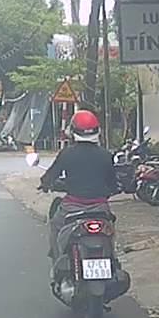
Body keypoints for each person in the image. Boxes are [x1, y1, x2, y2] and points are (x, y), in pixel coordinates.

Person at [38, 110, 116, 261]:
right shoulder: (106, 155)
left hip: (72, 208)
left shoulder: (67, 153)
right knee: (110, 231)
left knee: (55, 226)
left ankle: (58, 261)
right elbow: (113, 184)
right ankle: (113, 258)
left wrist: (45, 184)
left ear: (73, 132)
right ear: (98, 131)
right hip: (100, 209)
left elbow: (50, 176)